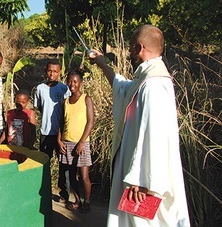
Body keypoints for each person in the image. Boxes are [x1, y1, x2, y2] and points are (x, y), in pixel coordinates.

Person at [90, 25, 190, 226]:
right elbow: (121, 87)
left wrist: (142, 179)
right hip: (137, 174)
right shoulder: (145, 80)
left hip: (144, 183)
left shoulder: (154, 85)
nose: (128, 52)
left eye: (130, 48)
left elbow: (155, 134)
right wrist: (101, 63)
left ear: (140, 48)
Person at [57, 69, 94, 212]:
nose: (72, 84)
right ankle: (77, 201)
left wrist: (82, 142)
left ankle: (87, 202)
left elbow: (90, 122)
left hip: (81, 143)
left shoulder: (86, 99)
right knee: (71, 175)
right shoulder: (65, 101)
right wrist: (59, 140)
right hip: (67, 143)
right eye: (70, 81)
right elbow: (62, 123)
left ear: (81, 83)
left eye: (75, 81)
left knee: (84, 175)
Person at [34, 59, 71, 202]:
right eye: (49, 71)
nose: (52, 74)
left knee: (64, 164)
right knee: (44, 163)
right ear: (45, 71)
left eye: (55, 71)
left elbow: (67, 109)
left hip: (61, 134)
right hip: (45, 133)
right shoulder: (40, 88)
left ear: (59, 72)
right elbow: (40, 107)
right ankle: (44, 190)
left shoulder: (63, 89)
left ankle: (64, 193)